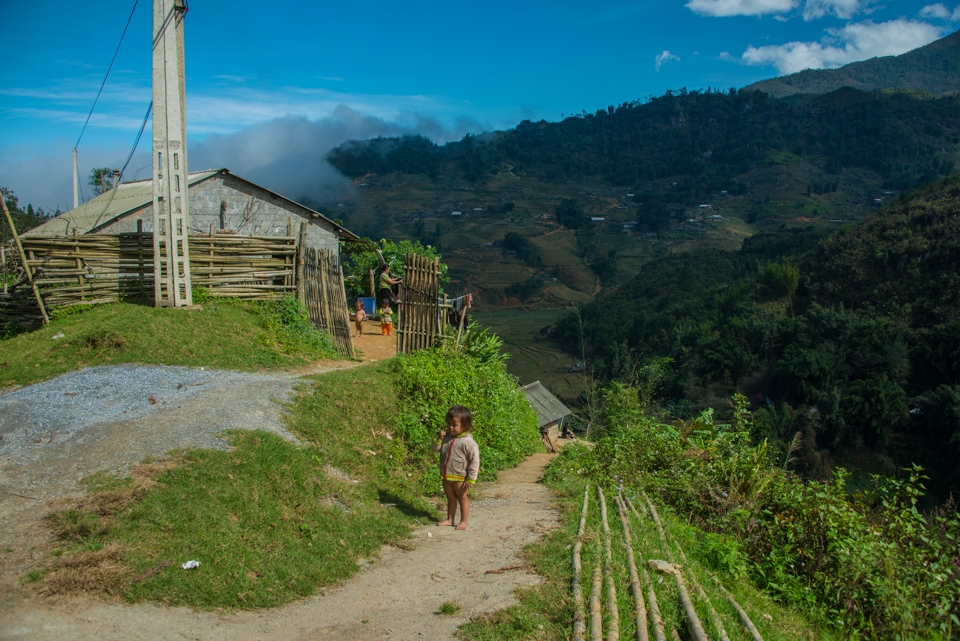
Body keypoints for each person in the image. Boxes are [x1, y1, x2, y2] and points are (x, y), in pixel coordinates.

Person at [431, 405, 480, 530]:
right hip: (447, 475)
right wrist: (438, 439)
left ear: (465, 426)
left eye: (454, 425)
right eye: (448, 424)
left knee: (462, 498)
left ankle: (464, 521)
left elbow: (475, 461)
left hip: (460, 477)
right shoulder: (446, 437)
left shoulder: (468, 442)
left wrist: (471, 478)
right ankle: (450, 519)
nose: (450, 427)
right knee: (450, 498)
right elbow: (434, 449)